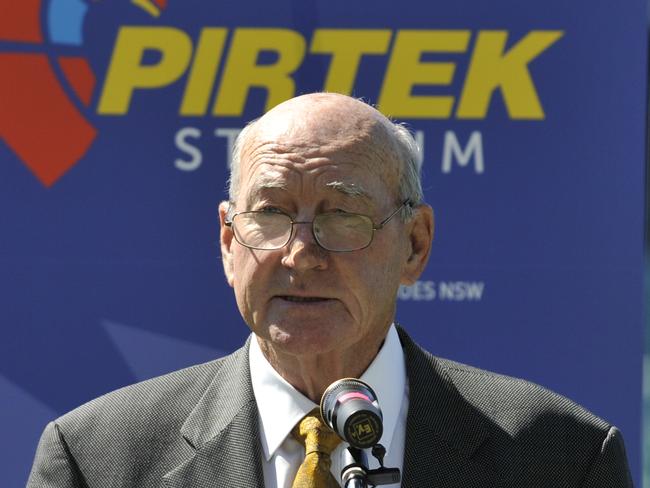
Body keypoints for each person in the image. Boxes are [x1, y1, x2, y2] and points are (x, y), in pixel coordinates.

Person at [28, 93, 632, 487]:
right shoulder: (97, 459)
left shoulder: (560, 458)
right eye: (270, 214)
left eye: (342, 216)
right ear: (227, 242)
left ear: (415, 245)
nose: (301, 254)